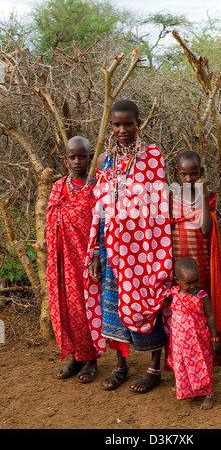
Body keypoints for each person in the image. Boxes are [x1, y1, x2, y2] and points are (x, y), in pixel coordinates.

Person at [84, 99, 173, 393]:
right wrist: (97, 252)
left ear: (138, 124)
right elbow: (101, 209)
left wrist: (153, 250)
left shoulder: (151, 156)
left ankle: (153, 369)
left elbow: (158, 207)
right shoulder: (106, 160)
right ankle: (120, 366)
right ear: (110, 125)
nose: (122, 130)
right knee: (114, 309)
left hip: (145, 250)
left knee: (151, 302)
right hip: (112, 250)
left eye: (128, 124)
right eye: (117, 124)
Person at [46, 136, 104, 383]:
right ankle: (76, 357)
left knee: (87, 308)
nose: (77, 161)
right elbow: (51, 223)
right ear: (65, 158)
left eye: (82, 156)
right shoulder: (59, 187)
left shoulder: (97, 188)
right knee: (68, 309)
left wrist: (97, 256)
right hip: (63, 261)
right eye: (72, 157)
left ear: (90, 158)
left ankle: (91, 359)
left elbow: (102, 226)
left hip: (86, 260)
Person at [169, 149, 221, 366]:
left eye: (194, 174)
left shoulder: (209, 196)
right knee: (180, 307)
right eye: (184, 174)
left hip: (201, 262)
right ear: (177, 174)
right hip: (179, 262)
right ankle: (183, 354)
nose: (189, 179)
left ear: (201, 172)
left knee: (202, 304)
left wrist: (202, 195)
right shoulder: (171, 198)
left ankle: (206, 351)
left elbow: (205, 230)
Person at [167, 257, 219, 408]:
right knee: (182, 364)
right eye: (188, 283)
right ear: (178, 281)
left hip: (199, 339)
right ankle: (188, 389)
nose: (193, 286)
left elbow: (210, 316)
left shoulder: (201, 296)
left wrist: (214, 338)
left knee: (202, 364)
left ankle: (209, 394)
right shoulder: (174, 294)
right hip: (180, 342)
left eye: (196, 281)